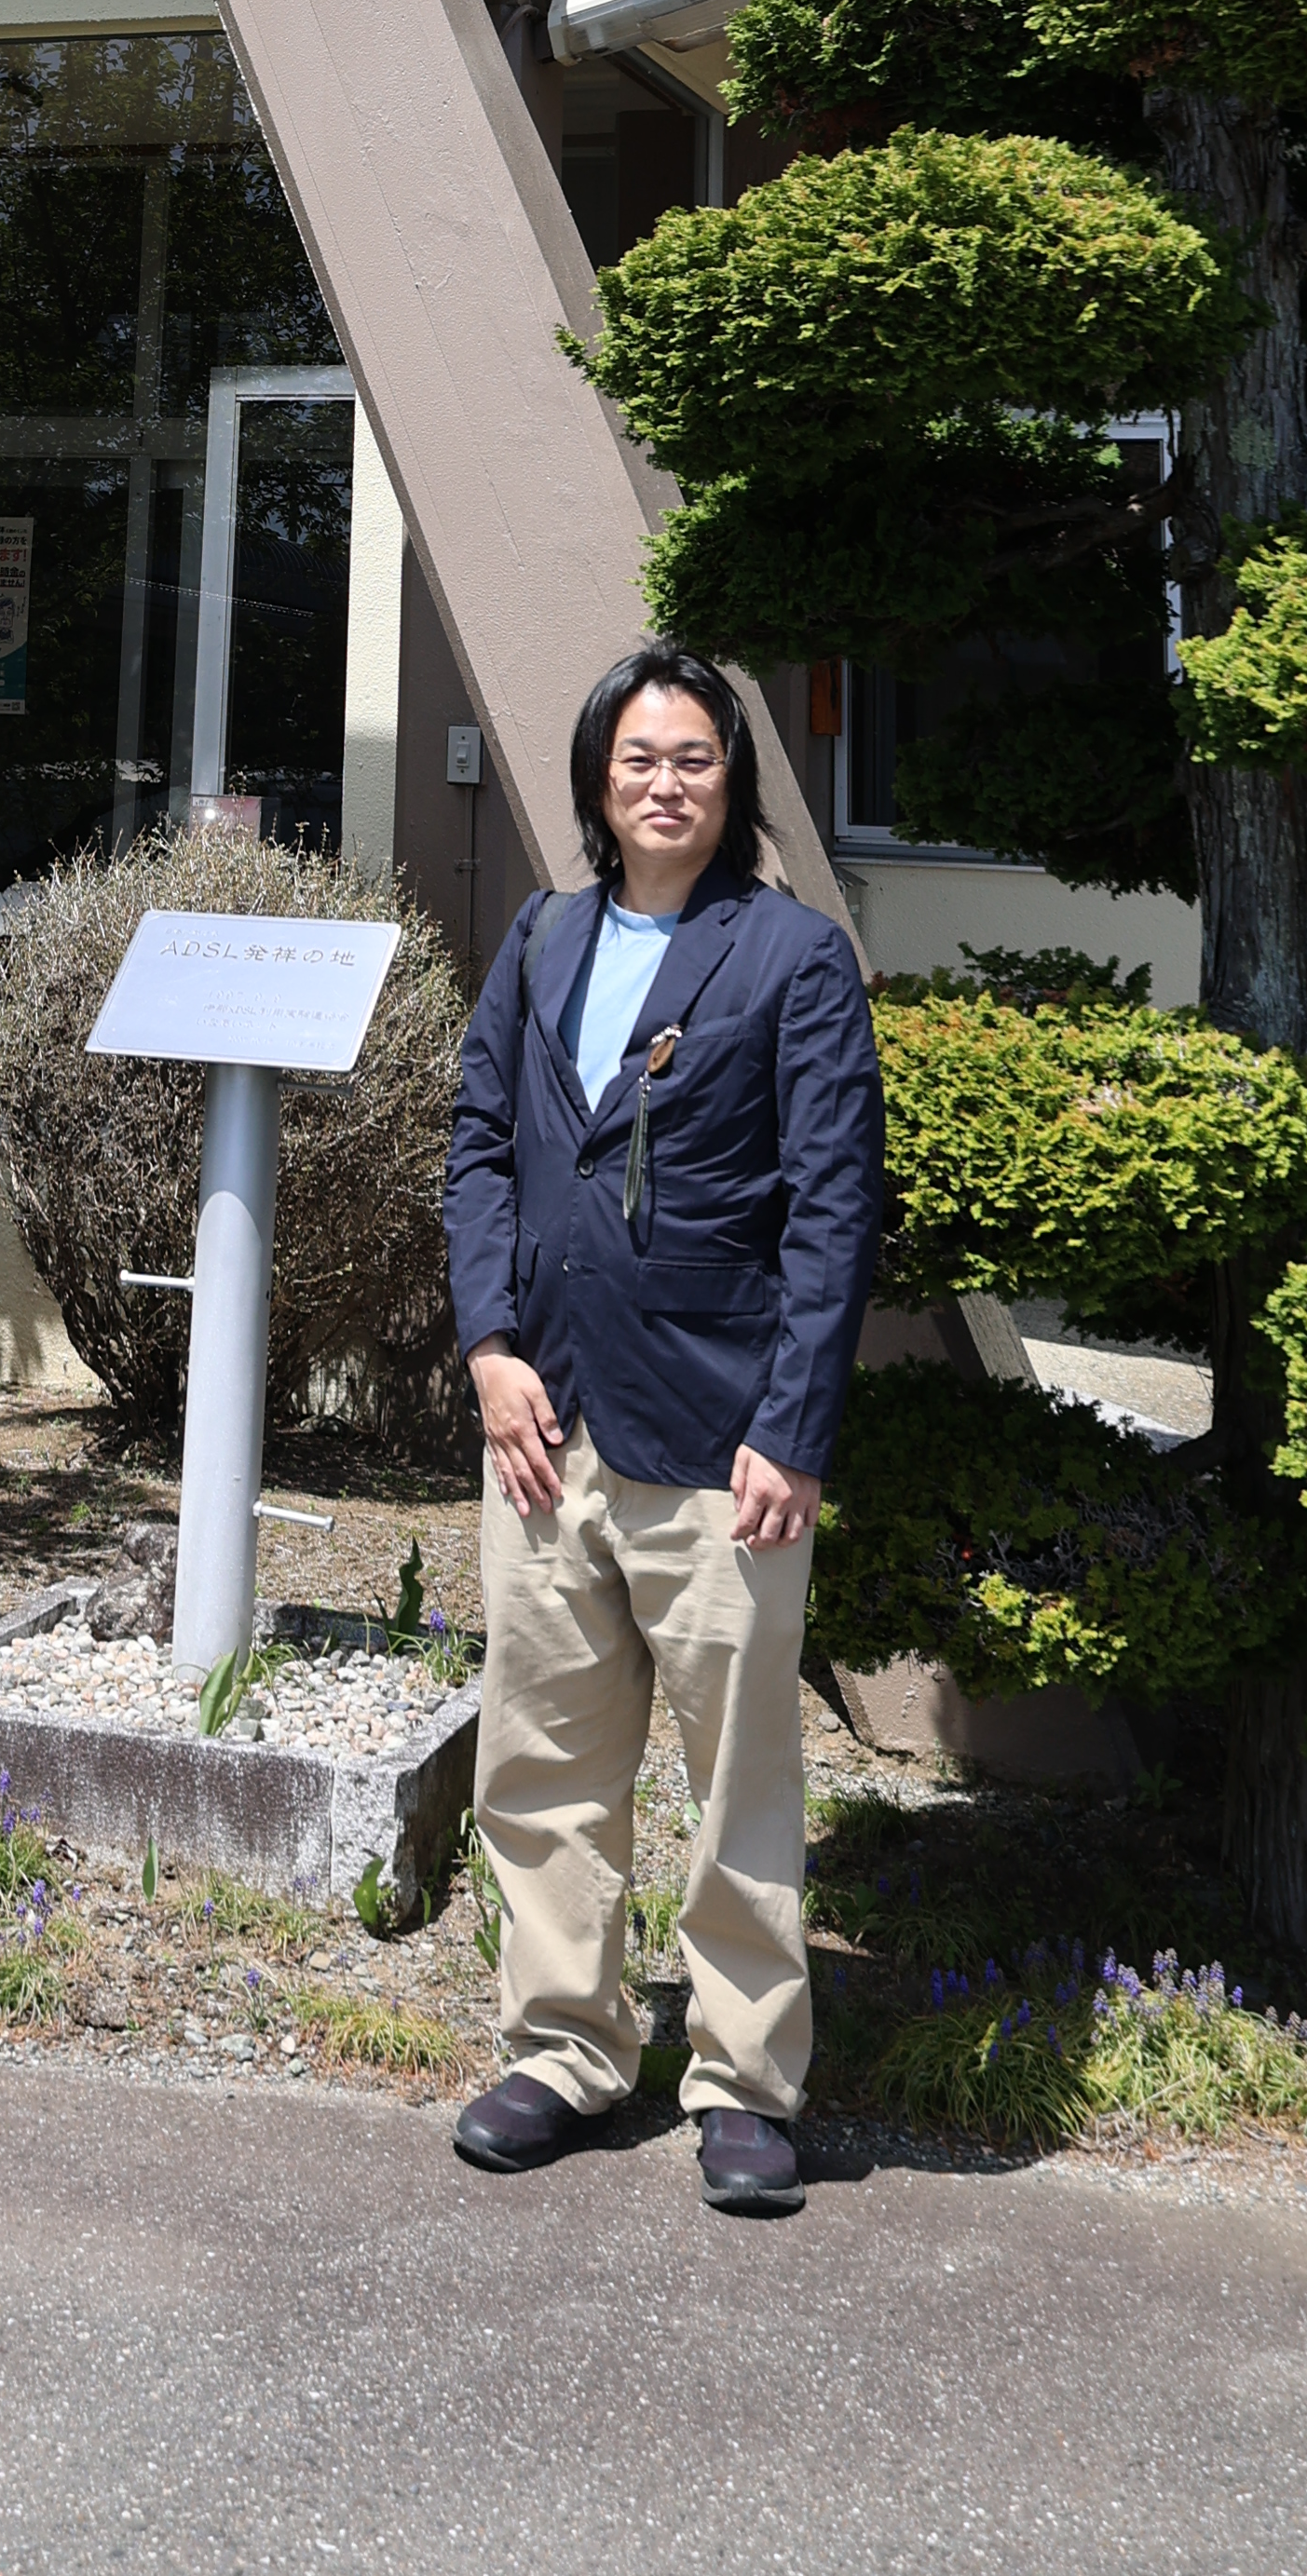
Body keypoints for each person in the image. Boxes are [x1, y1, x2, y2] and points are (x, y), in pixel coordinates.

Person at [442, 640, 883, 2212]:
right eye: (637, 760)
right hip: (543, 1428)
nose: (664, 784)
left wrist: (796, 1425)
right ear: (597, 783)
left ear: (733, 781)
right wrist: (488, 1342)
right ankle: (563, 2046)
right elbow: (480, 1143)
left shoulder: (790, 958)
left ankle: (747, 2078)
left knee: (739, 1774)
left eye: (693, 758)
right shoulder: (545, 937)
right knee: (545, 1758)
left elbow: (835, 1213)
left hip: (723, 1439)